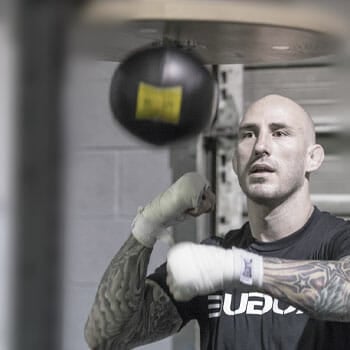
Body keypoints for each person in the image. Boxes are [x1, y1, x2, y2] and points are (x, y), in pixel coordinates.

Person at [84, 95, 350, 350]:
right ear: (235, 161)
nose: (260, 146)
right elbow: (106, 336)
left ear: (312, 158)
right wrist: (148, 223)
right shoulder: (216, 255)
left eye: (280, 133)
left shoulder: (339, 240)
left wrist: (241, 268)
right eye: (248, 134)